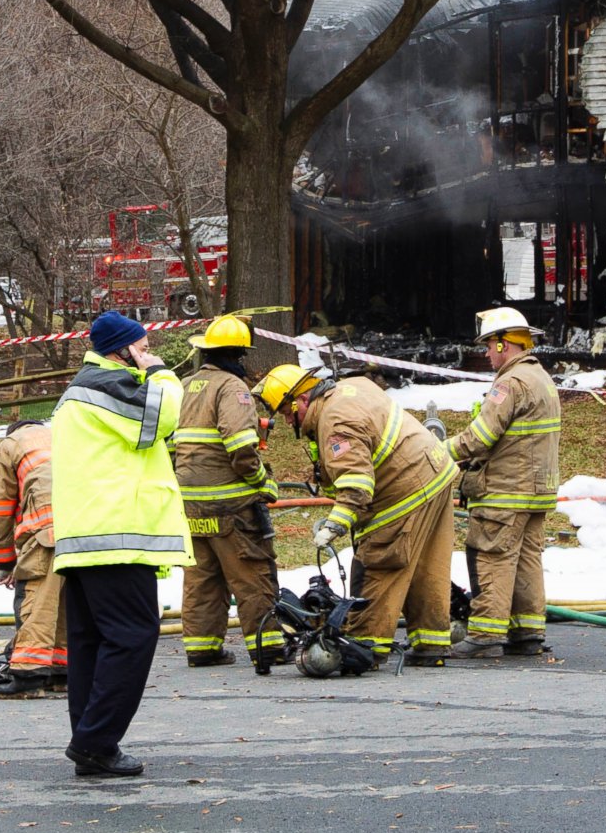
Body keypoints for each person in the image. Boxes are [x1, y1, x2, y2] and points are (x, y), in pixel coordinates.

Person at [51, 311, 190, 779]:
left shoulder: (84, 389)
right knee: (132, 636)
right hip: (116, 538)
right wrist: (160, 370)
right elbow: (165, 415)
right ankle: (96, 741)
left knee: (92, 643)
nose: (148, 351)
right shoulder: (107, 386)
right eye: (142, 345)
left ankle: (89, 740)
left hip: (88, 538)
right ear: (121, 350)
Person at [262, 357, 459, 668]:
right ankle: (431, 645)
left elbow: (356, 485)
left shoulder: (336, 420)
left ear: (302, 398)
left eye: (288, 412)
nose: (288, 421)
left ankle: (364, 646)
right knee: (426, 568)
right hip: (436, 476)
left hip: (401, 491)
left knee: (379, 562)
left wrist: (334, 525)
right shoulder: (351, 387)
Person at [447, 306, 562, 658]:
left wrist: (439, 451)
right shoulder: (540, 377)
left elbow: (480, 437)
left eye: (488, 346)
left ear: (503, 345)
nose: (485, 353)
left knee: (493, 555)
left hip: (505, 491)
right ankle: (528, 632)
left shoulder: (510, 383)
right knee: (527, 559)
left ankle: (485, 635)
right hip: (537, 490)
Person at [172, 313, 281, 671]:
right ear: (238, 354)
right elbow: (242, 448)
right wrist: (262, 481)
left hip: (190, 505)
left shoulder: (185, 385)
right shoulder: (232, 389)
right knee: (251, 574)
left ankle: (202, 648)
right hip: (230, 504)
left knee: (202, 578)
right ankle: (269, 647)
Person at [0, 416, 67, 695]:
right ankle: (63, 672)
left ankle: (29, 676)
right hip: (85, 526)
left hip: (48, 531)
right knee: (67, 601)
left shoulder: (10, 445)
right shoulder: (60, 435)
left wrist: (4, 564)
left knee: (38, 601)